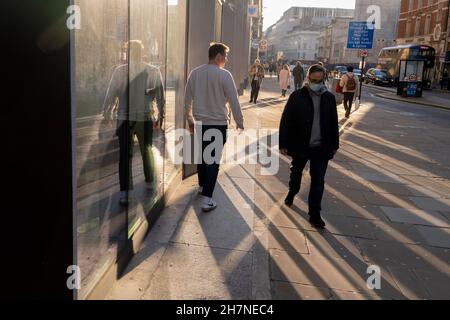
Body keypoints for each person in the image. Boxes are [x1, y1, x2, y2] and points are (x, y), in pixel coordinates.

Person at [103, 40, 165, 205]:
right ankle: (150, 182)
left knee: (125, 155)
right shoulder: (152, 71)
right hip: (144, 118)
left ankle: (125, 192)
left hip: (124, 118)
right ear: (142, 52)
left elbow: (111, 93)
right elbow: (160, 95)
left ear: (127, 52)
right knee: (147, 150)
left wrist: (106, 112)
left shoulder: (120, 71)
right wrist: (161, 115)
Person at [184, 42, 244, 212]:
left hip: (200, 123)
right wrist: (240, 122)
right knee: (213, 162)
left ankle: (203, 186)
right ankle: (207, 200)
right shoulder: (224, 75)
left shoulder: (195, 73)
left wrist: (189, 119)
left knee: (203, 157)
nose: (226, 60)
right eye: (225, 56)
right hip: (218, 124)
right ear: (218, 56)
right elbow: (234, 101)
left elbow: (187, 99)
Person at [279, 64, 339, 229]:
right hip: (300, 144)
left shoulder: (329, 98)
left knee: (318, 180)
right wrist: (283, 143)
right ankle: (292, 192)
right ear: (308, 78)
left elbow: (334, 123)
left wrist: (335, 144)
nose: (317, 83)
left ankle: (315, 214)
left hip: (321, 146)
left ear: (324, 79)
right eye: (314, 80)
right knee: (296, 173)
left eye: (320, 80)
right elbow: (286, 120)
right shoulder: (297, 96)